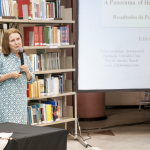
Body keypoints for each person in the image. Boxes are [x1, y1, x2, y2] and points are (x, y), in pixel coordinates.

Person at [0, 28, 36, 124]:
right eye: (12, 40)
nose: (16, 43)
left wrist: (27, 71)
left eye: (18, 39)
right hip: (6, 102)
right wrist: (9, 75)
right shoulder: (1, 57)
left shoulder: (24, 57)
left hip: (21, 101)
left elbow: (31, 80)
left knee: (20, 130)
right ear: (6, 43)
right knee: (7, 131)